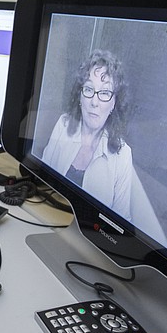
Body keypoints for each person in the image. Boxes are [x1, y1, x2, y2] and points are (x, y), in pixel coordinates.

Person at [42, 49, 133, 218]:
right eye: (89, 89)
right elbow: (40, 181)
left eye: (105, 93)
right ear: (80, 96)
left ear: (114, 103)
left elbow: (121, 221)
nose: (94, 102)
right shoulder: (63, 124)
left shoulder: (123, 154)